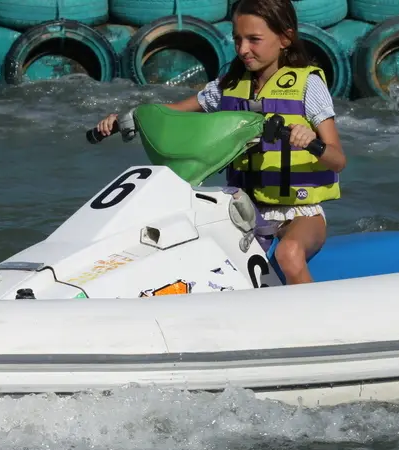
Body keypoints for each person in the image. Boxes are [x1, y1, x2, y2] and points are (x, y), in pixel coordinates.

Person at [94, 0, 347, 285]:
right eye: (237, 39)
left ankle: (310, 323)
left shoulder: (308, 85)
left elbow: (338, 159)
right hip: (241, 209)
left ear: (285, 38)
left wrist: (312, 141)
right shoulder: (227, 86)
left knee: (289, 253)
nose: (242, 50)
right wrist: (129, 117)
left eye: (254, 40)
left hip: (299, 212)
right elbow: (170, 114)